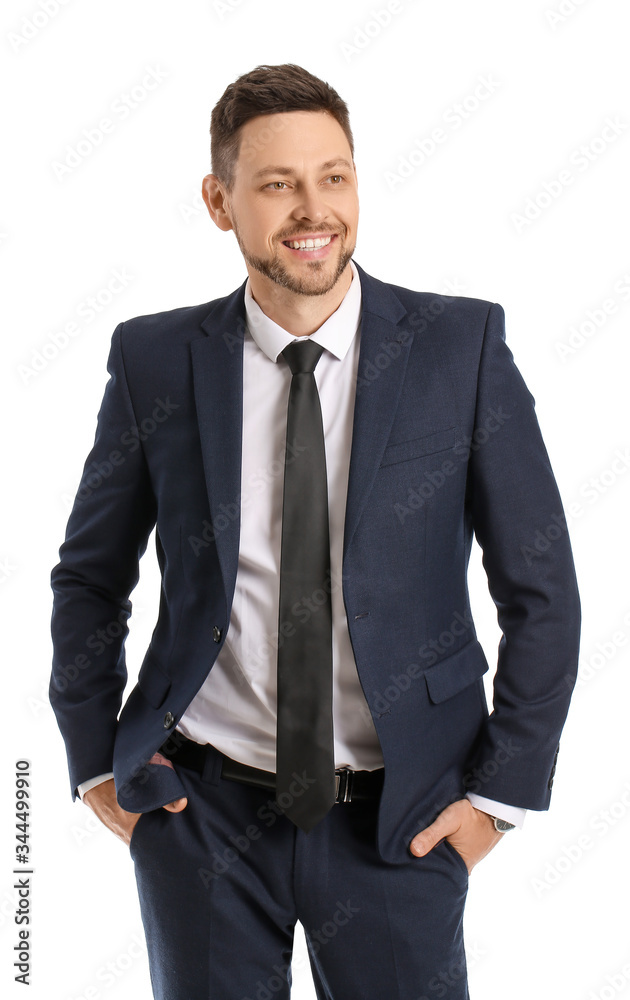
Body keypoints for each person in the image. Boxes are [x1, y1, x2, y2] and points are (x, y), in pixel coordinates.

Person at [50, 63, 581, 999]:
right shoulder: (155, 359)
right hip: (202, 816)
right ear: (220, 202)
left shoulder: (460, 348)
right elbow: (91, 576)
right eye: (278, 182)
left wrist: (498, 797)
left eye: (334, 175)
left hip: (404, 819)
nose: (313, 209)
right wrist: (96, 760)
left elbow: (541, 590)